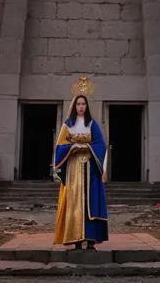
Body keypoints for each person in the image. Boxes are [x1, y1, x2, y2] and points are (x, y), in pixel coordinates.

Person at [53, 94, 109, 249]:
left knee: (90, 203)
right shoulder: (67, 125)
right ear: (74, 106)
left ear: (86, 106)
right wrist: (72, 147)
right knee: (74, 202)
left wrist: (86, 147)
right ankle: (76, 239)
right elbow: (59, 147)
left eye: (83, 104)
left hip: (90, 168)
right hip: (73, 169)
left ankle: (91, 240)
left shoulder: (92, 124)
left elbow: (101, 145)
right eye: (78, 104)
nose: (81, 106)